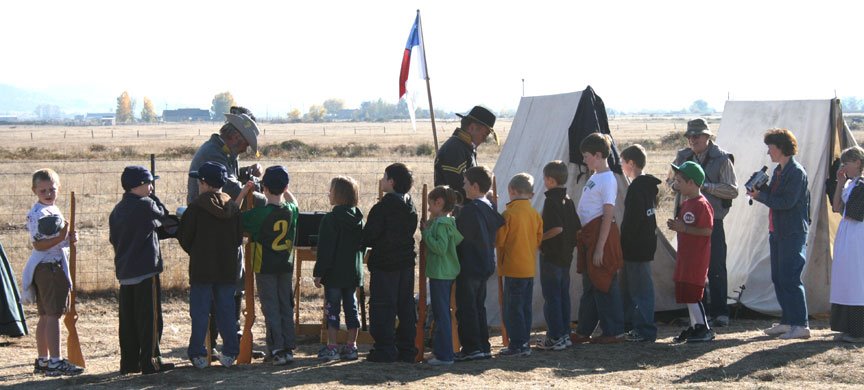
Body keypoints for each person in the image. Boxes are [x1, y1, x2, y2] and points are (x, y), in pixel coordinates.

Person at [187, 106, 264, 359]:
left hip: (212, 234)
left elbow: (227, 179)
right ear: (235, 138)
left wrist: (244, 173)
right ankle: (218, 345)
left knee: (220, 293)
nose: (244, 150)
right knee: (223, 292)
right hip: (217, 231)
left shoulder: (223, 152)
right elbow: (228, 188)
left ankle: (214, 346)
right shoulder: (215, 154)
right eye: (244, 145)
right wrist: (261, 191)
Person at [670, 118, 738, 327]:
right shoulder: (683, 156)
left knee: (716, 266)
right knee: (692, 267)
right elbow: (671, 182)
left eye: (697, 136)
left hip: (713, 219)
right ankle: (699, 312)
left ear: (708, 137)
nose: (692, 140)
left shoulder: (722, 158)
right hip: (686, 219)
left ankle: (720, 312)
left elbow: (732, 190)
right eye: (690, 136)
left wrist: (704, 186)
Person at [109, 166, 174, 374]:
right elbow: (163, 215)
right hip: (146, 270)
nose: (151, 187)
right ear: (139, 185)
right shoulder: (146, 204)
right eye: (148, 183)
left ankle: (129, 363)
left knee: (128, 321)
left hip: (125, 272)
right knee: (150, 319)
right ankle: (151, 361)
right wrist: (154, 197)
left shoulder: (117, 209)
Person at [178, 162, 244, 368]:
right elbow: (237, 239)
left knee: (199, 312)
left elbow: (185, 238)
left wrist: (197, 252)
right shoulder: (233, 208)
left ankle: (197, 353)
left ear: (205, 183)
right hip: (226, 269)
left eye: (199, 180)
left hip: (201, 269)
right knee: (226, 311)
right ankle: (231, 352)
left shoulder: (195, 208)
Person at [747, 128, 811, 340]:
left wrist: (761, 197)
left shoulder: (796, 172)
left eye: (770, 148)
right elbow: (775, 196)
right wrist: (759, 190)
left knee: (790, 278)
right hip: (777, 231)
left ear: (781, 148)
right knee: (778, 277)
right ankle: (787, 321)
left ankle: (800, 325)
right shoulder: (779, 171)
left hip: (792, 232)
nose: (768, 153)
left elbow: (786, 202)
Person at [21, 169, 84, 376]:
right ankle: (55, 362)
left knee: (45, 316)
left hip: (49, 266)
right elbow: (40, 245)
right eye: (43, 190)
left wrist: (68, 239)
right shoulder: (39, 213)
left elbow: (56, 239)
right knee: (53, 315)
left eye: (52, 189)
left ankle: (43, 360)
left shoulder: (51, 209)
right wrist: (63, 237)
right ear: (34, 191)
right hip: (49, 268)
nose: (48, 193)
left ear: (59, 188)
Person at [236, 166, 298, 365]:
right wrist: (286, 190)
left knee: (271, 307)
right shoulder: (291, 211)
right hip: (285, 265)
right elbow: (294, 202)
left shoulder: (259, 214)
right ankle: (288, 347)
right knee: (285, 306)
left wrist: (244, 192)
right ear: (286, 186)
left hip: (265, 266)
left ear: (264, 188)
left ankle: (277, 348)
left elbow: (233, 216)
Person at [361, 163, 419, 363]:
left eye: (384, 177)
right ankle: (407, 348)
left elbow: (369, 236)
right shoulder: (410, 206)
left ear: (392, 182)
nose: (382, 180)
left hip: (385, 265)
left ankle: (385, 349)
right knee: (405, 306)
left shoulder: (383, 208)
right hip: (406, 263)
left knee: (383, 307)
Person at [571, 133, 625, 345]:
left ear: (599, 154)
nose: (584, 160)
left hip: (600, 235)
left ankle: (614, 330)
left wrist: (600, 247)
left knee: (605, 283)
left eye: (587, 156)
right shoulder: (594, 177)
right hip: (589, 235)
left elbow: (608, 213)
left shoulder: (608, 179)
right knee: (591, 285)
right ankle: (584, 330)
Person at [454, 166, 504, 361]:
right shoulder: (489, 207)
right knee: (478, 306)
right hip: (484, 263)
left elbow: (460, 238)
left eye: (466, 183)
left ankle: (472, 347)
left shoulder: (470, 211)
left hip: (470, 265)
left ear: (475, 186)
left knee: (467, 308)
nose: (463, 186)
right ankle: (483, 345)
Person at [313, 176, 364, 361]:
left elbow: (325, 249)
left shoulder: (330, 219)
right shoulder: (359, 218)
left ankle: (332, 346)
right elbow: (363, 246)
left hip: (334, 274)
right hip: (353, 273)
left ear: (339, 195)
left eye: (331, 190)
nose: (328, 193)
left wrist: (319, 272)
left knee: (332, 308)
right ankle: (352, 347)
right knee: (352, 308)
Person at [667, 161, 715, 343]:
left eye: (679, 181)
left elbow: (707, 231)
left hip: (696, 259)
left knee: (694, 294)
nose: (675, 184)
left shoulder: (702, 205)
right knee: (687, 293)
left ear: (691, 183)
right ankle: (694, 326)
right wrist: (678, 227)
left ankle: (704, 328)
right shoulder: (687, 203)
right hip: (685, 257)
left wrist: (685, 229)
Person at [495, 173, 543, 357]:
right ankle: (524, 342)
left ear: (512, 191)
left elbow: (499, 240)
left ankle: (516, 345)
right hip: (529, 268)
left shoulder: (508, 214)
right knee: (524, 307)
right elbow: (538, 239)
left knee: (512, 308)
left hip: (513, 268)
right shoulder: (535, 214)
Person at [535, 160, 580, 351]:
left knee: (552, 297)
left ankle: (554, 336)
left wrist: (539, 240)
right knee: (562, 296)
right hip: (565, 256)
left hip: (552, 256)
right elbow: (577, 229)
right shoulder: (568, 200)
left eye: (545, 178)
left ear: (551, 180)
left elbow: (557, 228)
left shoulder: (551, 201)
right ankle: (565, 334)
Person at [620, 145, 661, 342]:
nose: (621, 166)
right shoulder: (648, 186)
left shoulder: (636, 188)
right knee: (634, 288)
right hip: (646, 243)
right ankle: (632, 325)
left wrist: (623, 242)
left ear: (631, 163)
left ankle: (645, 329)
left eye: (623, 162)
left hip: (636, 246)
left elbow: (631, 221)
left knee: (641, 290)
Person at [421, 185, 464, 366]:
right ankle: (441, 351)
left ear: (439, 203)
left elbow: (439, 248)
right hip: (446, 272)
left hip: (440, 273)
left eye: (430, 205)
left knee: (441, 315)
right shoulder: (450, 222)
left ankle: (445, 355)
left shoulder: (440, 224)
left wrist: (426, 232)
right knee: (442, 314)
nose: (429, 209)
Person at [830, 146, 864, 343]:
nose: (844, 166)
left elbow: (854, 212)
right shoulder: (850, 184)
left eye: (847, 163)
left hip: (858, 234)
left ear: (857, 162)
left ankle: (859, 330)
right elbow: (836, 207)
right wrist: (839, 182)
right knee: (845, 276)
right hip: (846, 233)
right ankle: (846, 325)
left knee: (856, 278)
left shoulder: (861, 185)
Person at [434, 106, 498, 200]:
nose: (484, 139)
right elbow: (457, 189)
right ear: (471, 128)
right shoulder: (455, 149)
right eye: (484, 135)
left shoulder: (464, 147)